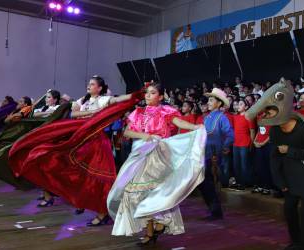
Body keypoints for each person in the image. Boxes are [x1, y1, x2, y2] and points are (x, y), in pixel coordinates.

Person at [9, 76, 142, 226]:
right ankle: (81, 200)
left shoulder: (105, 99)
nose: (89, 86)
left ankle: (103, 213)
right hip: (82, 140)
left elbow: (119, 100)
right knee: (70, 170)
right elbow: (71, 114)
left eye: (92, 84)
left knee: (98, 179)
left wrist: (136, 94)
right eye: (89, 84)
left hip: (97, 142)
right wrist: (93, 112)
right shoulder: (82, 101)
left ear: (99, 88)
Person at [107, 83, 205, 245]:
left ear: (160, 97)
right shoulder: (138, 112)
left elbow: (179, 123)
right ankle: (150, 232)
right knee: (138, 192)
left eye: (152, 93)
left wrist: (195, 127)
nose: (148, 96)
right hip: (140, 154)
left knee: (157, 191)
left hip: (159, 154)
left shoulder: (166, 111)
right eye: (147, 93)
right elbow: (127, 132)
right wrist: (143, 136)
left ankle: (159, 223)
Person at [246, 79, 304, 250]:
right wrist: (280, 182)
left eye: (271, 112)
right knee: (289, 211)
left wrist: (289, 150)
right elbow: (274, 158)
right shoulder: (274, 130)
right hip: (290, 180)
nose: (268, 116)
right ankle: (296, 243)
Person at [201, 88, 234, 219]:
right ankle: (214, 210)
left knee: (210, 182)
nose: (208, 102)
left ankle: (216, 211)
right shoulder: (207, 117)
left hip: (214, 155)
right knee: (204, 183)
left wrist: (225, 146)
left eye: (211, 100)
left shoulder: (222, 118)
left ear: (219, 103)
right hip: (205, 154)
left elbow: (230, 134)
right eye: (208, 99)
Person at [232, 99, 255, 190]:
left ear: (246, 107)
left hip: (245, 143)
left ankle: (245, 183)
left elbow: (252, 131)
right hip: (235, 143)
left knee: (244, 164)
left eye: (241, 104)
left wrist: (251, 144)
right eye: (238, 104)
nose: (238, 106)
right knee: (236, 164)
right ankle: (238, 182)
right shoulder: (235, 117)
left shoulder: (249, 117)